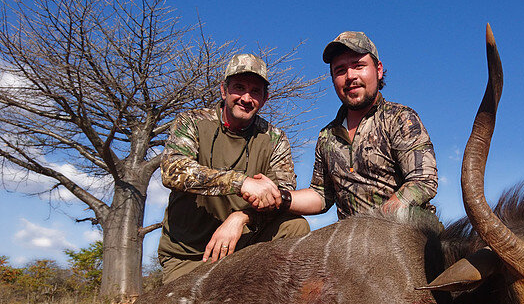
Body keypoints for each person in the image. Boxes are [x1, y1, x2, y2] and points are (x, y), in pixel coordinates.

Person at [157, 53, 309, 283]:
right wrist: (240, 183)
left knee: (296, 226)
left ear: (265, 98)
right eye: (239, 87)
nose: (246, 98)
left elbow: (280, 195)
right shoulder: (191, 121)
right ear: (223, 90)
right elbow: (172, 169)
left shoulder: (275, 138)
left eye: (255, 91)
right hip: (190, 253)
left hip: (244, 246)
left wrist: (241, 217)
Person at [255, 31, 438, 219]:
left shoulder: (400, 118)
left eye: (358, 66)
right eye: (340, 70)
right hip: (351, 241)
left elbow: (423, 180)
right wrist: (281, 198)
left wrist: (379, 221)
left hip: (405, 235)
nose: (350, 76)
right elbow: (321, 195)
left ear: (378, 69)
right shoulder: (327, 136)